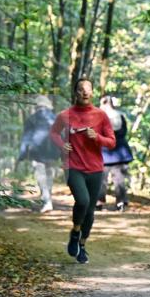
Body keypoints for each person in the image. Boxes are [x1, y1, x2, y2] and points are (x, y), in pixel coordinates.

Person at [49, 78, 115, 264]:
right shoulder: (65, 115)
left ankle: (82, 246)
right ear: (75, 92)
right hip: (73, 167)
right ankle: (75, 232)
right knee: (83, 201)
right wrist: (62, 145)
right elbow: (53, 132)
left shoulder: (100, 116)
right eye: (81, 89)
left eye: (88, 89)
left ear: (92, 92)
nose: (85, 92)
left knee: (91, 211)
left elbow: (111, 142)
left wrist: (97, 137)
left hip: (95, 169)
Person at [17, 95, 60, 213]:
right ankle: (47, 198)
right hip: (53, 150)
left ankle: (47, 201)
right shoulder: (56, 118)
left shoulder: (32, 119)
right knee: (49, 174)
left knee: (40, 175)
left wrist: (22, 154)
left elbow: (27, 138)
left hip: (37, 151)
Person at [97, 95, 133, 211]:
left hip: (105, 152)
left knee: (101, 179)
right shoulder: (120, 115)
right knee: (119, 179)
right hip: (120, 152)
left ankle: (98, 202)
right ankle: (120, 202)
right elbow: (123, 132)